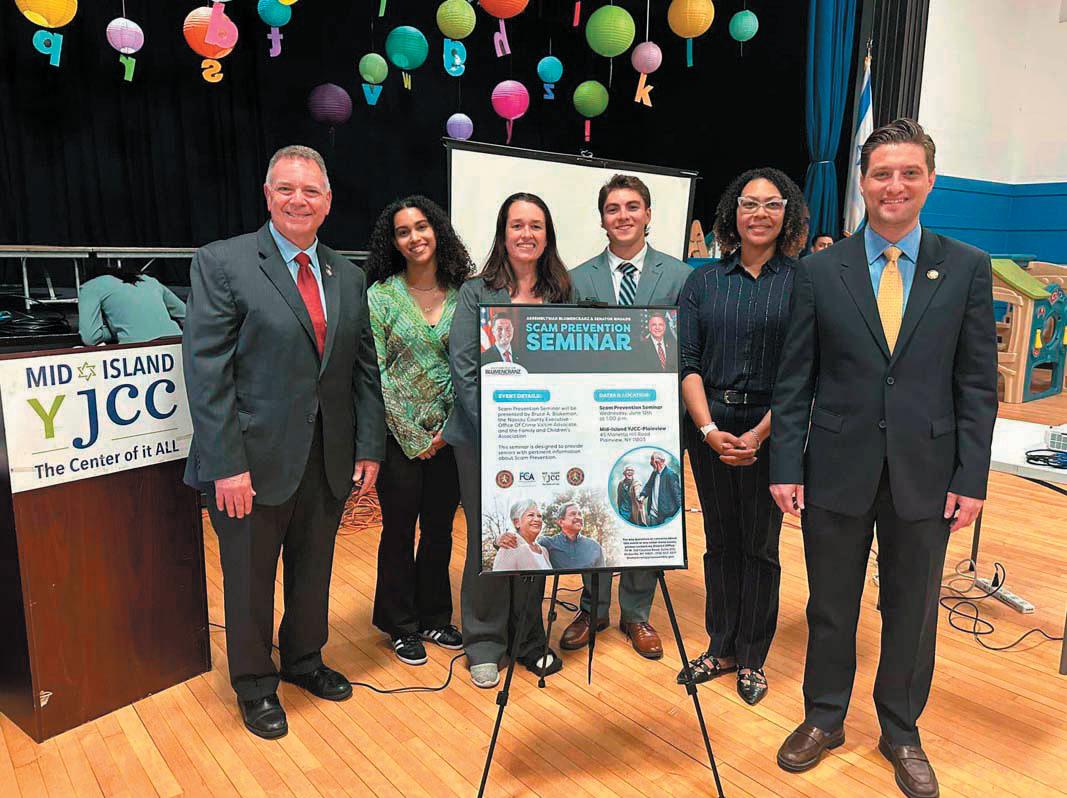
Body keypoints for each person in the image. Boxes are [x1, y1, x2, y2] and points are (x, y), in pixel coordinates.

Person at [770, 119, 996, 798]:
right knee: (830, 605)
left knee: (912, 611)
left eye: (908, 173)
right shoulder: (818, 270)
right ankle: (823, 716)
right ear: (862, 183)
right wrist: (785, 465)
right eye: (881, 173)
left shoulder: (966, 267)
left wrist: (971, 477)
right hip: (835, 468)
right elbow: (795, 379)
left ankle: (900, 730)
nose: (894, 186)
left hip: (927, 474)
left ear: (930, 180)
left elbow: (976, 384)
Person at [182, 146, 386, 740]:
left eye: (311, 191)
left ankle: (303, 659)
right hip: (247, 463)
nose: (299, 200)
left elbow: (363, 369)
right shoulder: (223, 263)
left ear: (328, 202)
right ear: (267, 195)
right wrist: (225, 465)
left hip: (328, 457)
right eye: (287, 189)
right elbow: (207, 372)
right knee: (249, 578)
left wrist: (368, 447)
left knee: (313, 569)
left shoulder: (348, 275)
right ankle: (254, 683)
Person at [677, 166, 805, 707]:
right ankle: (720, 647)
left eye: (772, 204)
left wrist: (757, 433)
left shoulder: (802, 283)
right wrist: (709, 430)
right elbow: (686, 362)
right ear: (734, 212)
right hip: (708, 426)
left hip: (772, 429)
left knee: (760, 546)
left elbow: (803, 372)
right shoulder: (703, 281)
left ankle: (752, 656)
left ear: (787, 214)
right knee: (720, 541)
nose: (760, 214)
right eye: (749, 203)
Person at [442, 192, 572, 688]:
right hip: (481, 441)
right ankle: (483, 642)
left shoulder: (562, 292)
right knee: (491, 539)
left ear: (547, 234)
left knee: (533, 537)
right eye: (517, 225)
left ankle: (529, 641)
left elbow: (570, 366)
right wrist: (499, 435)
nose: (526, 234)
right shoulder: (476, 292)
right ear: (503, 233)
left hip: (542, 441)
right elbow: (463, 368)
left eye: (536, 225)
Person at [564, 173, 691, 660]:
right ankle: (592, 608)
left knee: (648, 512)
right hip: (595, 419)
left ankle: (636, 612)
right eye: (613, 208)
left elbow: (689, 351)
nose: (623, 216)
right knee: (598, 506)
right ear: (602, 219)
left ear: (648, 214)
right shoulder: (577, 279)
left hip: (655, 420)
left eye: (632, 207)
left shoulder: (680, 277)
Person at [365, 195, 473, 667]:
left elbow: (471, 367)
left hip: (453, 435)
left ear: (438, 231)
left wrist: (447, 431)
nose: (414, 237)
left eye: (422, 227)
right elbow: (376, 371)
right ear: (393, 242)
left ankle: (434, 616)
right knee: (398, 529)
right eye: (403, 231)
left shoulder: (465, 294)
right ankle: (400, 624)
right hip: (398, 437)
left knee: (439, 530)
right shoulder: (380, 297)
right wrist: (412, 435)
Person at [78, 261, 185, 345]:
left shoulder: (89, 286)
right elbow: (186, 314)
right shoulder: (148, 280)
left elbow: (90, 337)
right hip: (176, 342)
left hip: (136, 348)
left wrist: (112, 330)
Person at [499, 501, 605, 570]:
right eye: (573, 514)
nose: (578, 517)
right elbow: (520, 549)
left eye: (580, 514)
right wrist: (498, 540)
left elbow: (603, 580)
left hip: (587, 598)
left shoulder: (594, 546)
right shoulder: (547, 544)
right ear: (560, 522)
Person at [492, 500, 553, 571]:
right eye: (531, 515)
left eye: (539, 516)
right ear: (517, 523)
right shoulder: (510, 546)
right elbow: (500, 577)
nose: (537, 519)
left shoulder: (544, 551)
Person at [639, 452, 682, 526]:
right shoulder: (654, 473)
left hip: (667, 516)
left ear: (658, 462)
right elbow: (648, 486)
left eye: (652, 463)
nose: (651, 464)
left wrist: (681, 512)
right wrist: (643, 496)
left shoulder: (670, 475)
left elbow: (677, 494)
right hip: (653, 514)